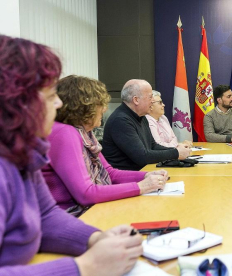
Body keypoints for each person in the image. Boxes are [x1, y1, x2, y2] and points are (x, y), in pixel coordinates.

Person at [0, 35, 142, 275]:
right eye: (48, 96)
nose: (57, 104)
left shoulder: (22, 154)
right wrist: (85, 267)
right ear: (15, 103)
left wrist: (95, 238)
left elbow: (45, 215)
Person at [42, 75, 169, 217]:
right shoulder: (65, 133)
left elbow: (110, 173)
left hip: (90, 210)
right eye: (100, 104)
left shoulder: (85, 133)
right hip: (74, 215)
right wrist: (141, 187)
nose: (104, 109)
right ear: (85, 106)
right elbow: (86, 194)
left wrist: (146, 175)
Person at [102, 79, 191, 170]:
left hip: (143, 172)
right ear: (136, 100)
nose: (152, 101)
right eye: (150, 97)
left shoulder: (142, 117)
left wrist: (177, 149)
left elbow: (153, 146)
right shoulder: (120, 120)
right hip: (126, 179)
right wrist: (176, 153)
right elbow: (142, 157)